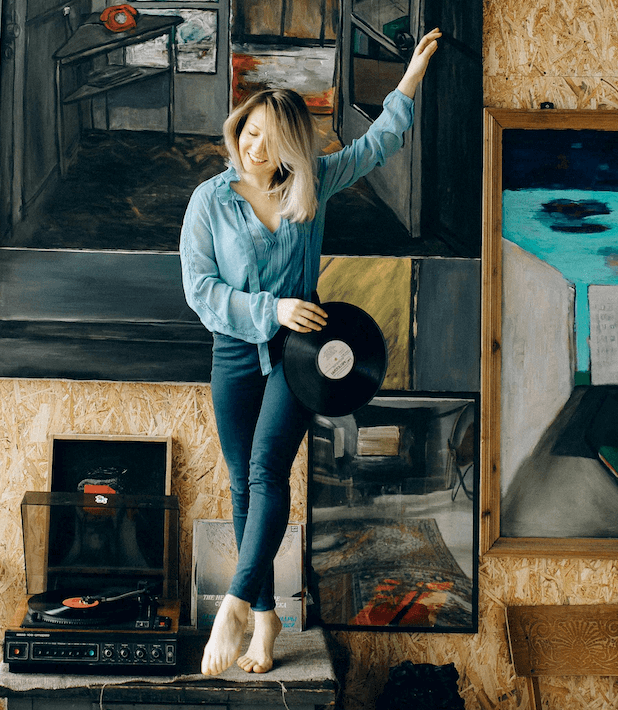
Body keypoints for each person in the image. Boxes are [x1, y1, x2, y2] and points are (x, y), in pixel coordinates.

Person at [179, 27, 442, 676]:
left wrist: (409, 77)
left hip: (298, 358)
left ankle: (236, 605)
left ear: (289, 142)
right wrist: (270, 308)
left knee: (268, 473)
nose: (252, 142)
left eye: (267, 133)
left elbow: (380, 143)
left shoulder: (313, 183)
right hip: (235, 353)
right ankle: (267, 617)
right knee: (242, 484)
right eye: (248, 129)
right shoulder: (209, 202)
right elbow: (200, 290)